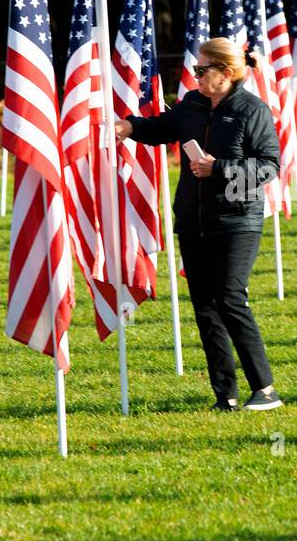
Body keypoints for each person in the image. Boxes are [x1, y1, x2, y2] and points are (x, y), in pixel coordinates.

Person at [114, 37, 283, 411]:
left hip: (238, 220)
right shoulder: (191, 103)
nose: (195, 76)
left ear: (225, 73)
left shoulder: (253, 110)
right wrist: (128, 127)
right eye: (195, 69)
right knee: (205, 307)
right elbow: (162, 127)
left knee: (229, 298)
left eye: (201, 70)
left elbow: (269, 166)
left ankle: (266, 390)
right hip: (193, 220)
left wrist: (218, 169)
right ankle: (226, 395)